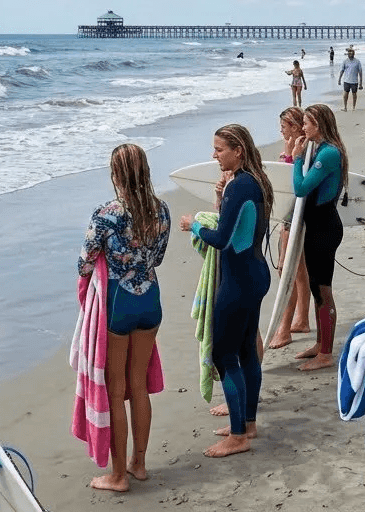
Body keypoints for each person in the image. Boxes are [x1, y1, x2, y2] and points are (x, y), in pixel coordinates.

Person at [80, 144, 170, 491]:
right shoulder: (160, 209)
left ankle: (117, 476)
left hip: (118, 303)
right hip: (150, 300)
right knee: (138, 385)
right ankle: (139, 463)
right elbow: (158, 258)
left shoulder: (107, 213)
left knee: (115, 391)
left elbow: (85, 261)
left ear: (116, 173)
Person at [179, 125, 273, 458]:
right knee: (246, 349)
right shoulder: (255, 182)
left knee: (223, 354)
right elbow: (238, 229)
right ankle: (247, 424)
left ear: (238, 150)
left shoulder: (241, 185)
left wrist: (195, 225)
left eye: (219, 149)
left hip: (239, 281)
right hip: (254, 274)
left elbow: (221, 239)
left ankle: (237, 437)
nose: (214, 155)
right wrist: (220, 199)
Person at [292, 104, 348, 372]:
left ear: (319, 124)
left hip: (324, 228)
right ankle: (320, 344)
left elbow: (301, 188)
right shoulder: (323, 150)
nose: (303, 127)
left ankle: (326, 353)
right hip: (317, 226)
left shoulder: (328, 153)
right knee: (316, 288)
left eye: (306, 123)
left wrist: (297, 159)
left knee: (323, 290)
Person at [268, 108, 311, 350]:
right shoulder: (303, 145)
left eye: (284, 126)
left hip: (294, 215)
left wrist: (287, 156)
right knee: (300, 270)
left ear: (294, 127)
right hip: (297, 213)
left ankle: (284, 330)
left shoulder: (300, 148)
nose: (281, 130)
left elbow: (291, 184)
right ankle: (302, 319)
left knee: (286, 269)